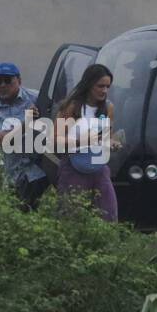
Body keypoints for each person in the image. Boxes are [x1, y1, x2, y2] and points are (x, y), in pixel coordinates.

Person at [55, 63, 119, 223]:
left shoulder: (108, 108)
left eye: (107, 86)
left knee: (108, 215)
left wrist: (112, 143)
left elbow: (107, 137)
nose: (104, 90)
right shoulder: (72, 107)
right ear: (89, 84)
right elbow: (55, 140)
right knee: (72, 218)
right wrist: (82, 141)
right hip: (73, 167)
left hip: (99, 166)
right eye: (100, 86)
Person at [0, 62, 50, 210]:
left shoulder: (36, 97)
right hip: (15, 173)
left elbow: (62, 114)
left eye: (7, 80)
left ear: (19, 80)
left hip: (42, 170)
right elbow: (3, 140)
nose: (2, 85)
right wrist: (27, 122)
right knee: (19, 216)